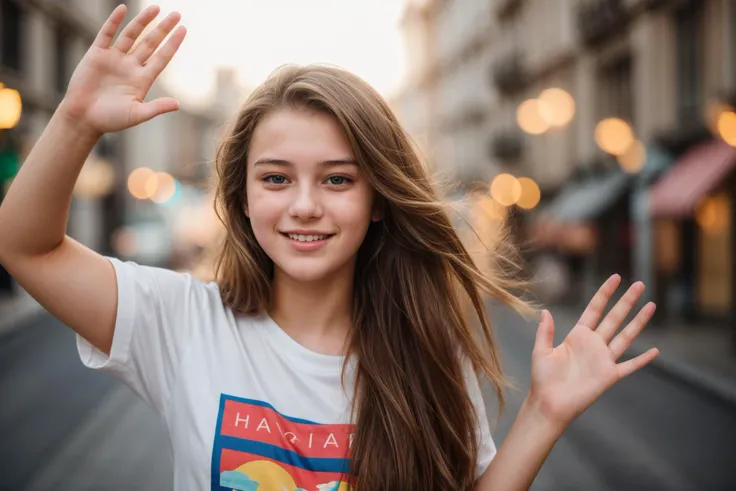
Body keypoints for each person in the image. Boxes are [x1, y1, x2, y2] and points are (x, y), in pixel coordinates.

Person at [0, 5, 660, 491]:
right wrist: (77, 119)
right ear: (244, 196)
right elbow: (25, 246)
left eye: (338, 178)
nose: (305, 203)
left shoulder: (427, 346)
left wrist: (545, 413)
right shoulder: (183, 321)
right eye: (276, 178)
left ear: (377, 200)